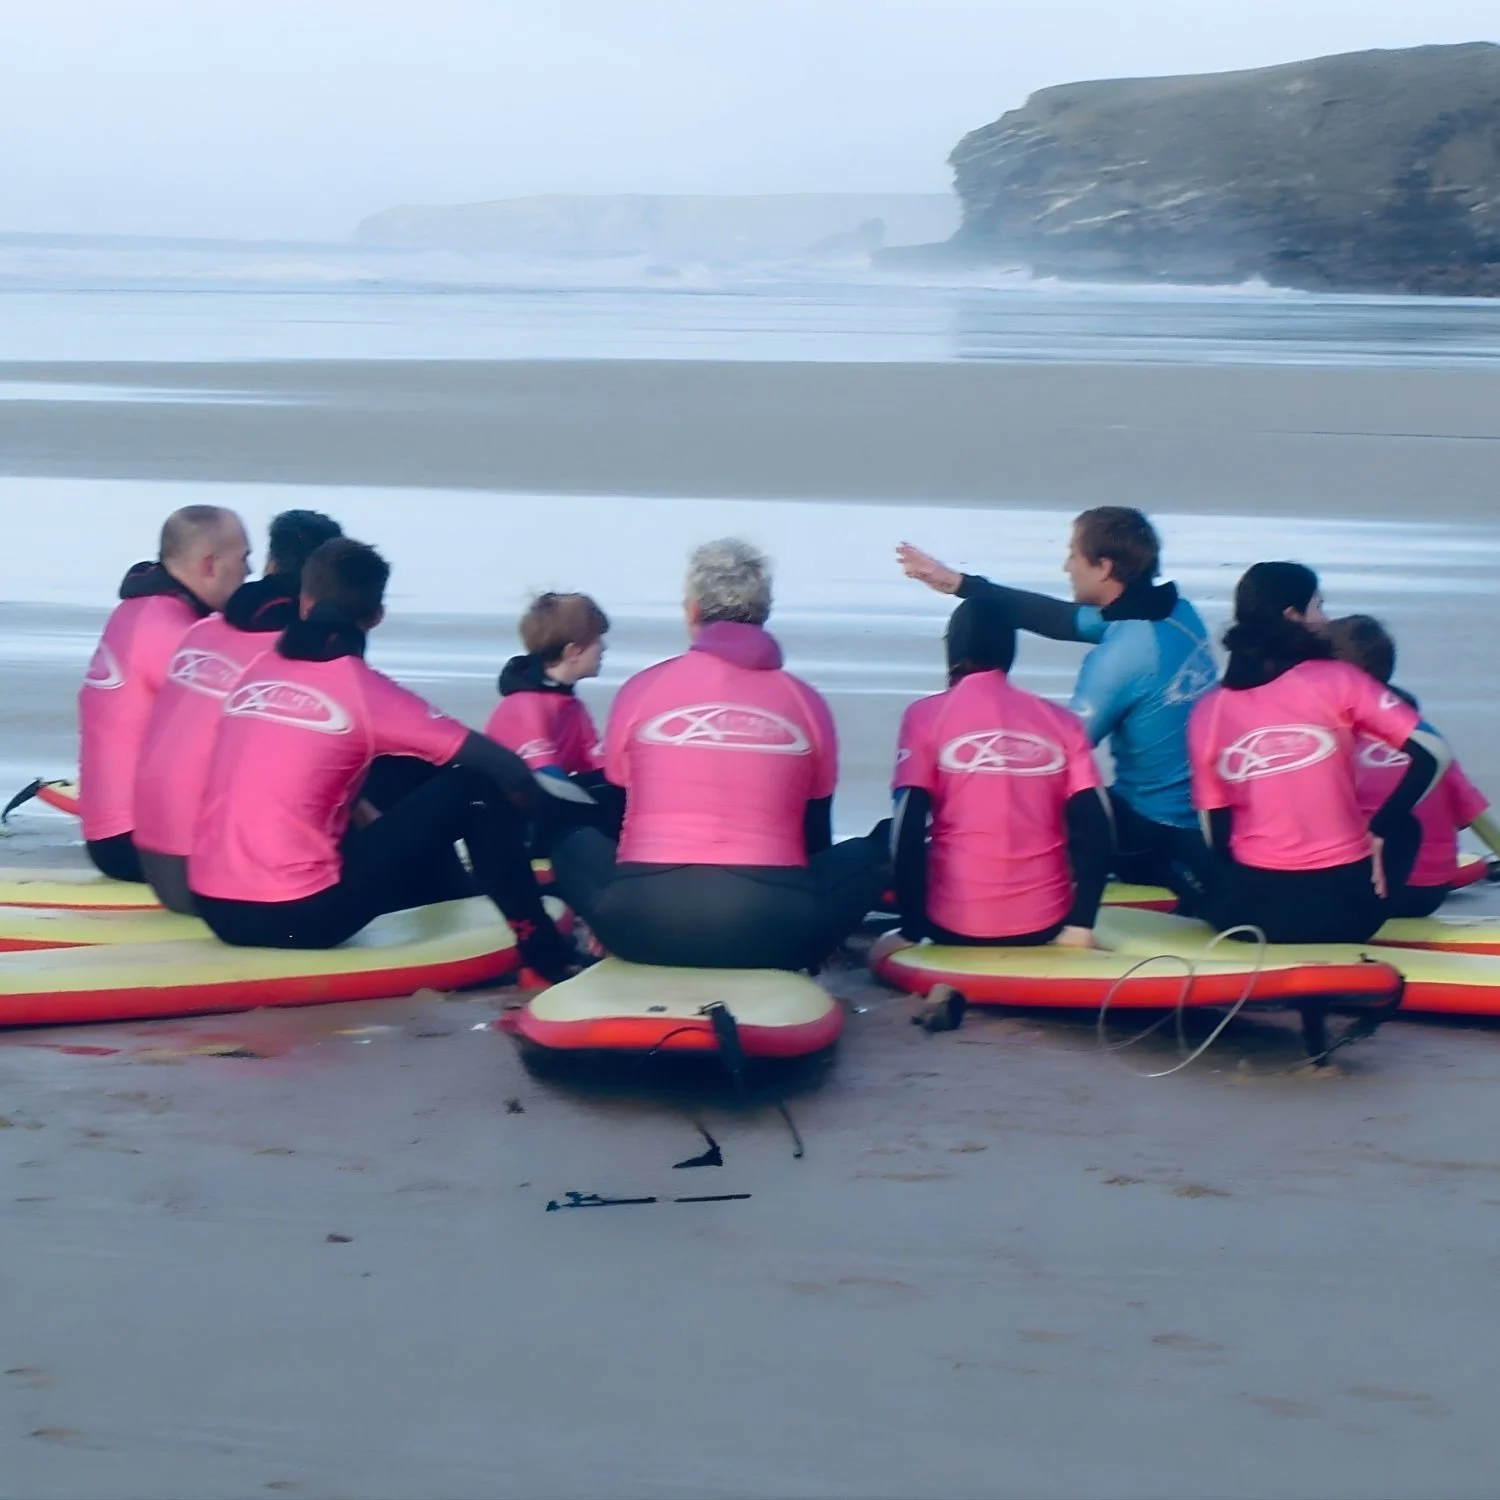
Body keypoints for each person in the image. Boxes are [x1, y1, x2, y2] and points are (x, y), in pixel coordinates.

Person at [189, 538, 579, 982]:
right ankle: (544, 954)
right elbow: (503, 768)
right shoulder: (362, 690)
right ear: (376, 616)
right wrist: (550, 823)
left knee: (393, 768)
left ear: (304, 604)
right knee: (476, 791)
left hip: (211, 904)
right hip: (297, 917)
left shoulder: (256, 670)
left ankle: (449, 895)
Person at [549, 538, 889, 971]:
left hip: (639, 925)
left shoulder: (641, 690)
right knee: (876, 851)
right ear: (765, 614)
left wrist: (609, 910)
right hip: (773, 931)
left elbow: (618, 806)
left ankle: (605, 930)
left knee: (569, 836)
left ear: (692, 611)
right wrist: (815, 925)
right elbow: (815, 834)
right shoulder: (806, 702)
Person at [897, 508, 1216, 907]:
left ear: (1103, 567)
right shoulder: (1176, 613)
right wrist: (958, 584)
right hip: (1201, 815)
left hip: (1151, 832)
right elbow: (1060, 618)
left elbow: (1058, 757)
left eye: (1073, 554)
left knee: (1014, 792)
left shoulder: (1122, 655)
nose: (1067, 566)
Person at [1189, 563, 1450, 944]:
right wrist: (1380, 829)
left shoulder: (1208, 711)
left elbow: (1215, 833)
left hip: (1255, 920)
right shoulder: (1338, 680)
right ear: (1292, 617)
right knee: (1405, 827)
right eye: (1317, 607)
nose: (1325, 620)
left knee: (1203, 862)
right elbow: (1433, 753)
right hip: (1346, 915)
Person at [876, 596, 1111, 963]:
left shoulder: (924, 716)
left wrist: (910, 928)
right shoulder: (1060, 722)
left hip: (950, 926)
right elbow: (1098, 826)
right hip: (1045, 925)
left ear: (951, 649)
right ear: (1009, 651)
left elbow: (907, 827)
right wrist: (1080, 925)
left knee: (882, 839)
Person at [134, 510, 345, 913]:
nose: (248, 569)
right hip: (219, 885)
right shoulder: (303, 652)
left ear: (269, 566)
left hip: (156, 864)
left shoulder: (202, 630)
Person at [79, 505, 250, 883]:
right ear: (209, 565)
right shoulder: (176, 634)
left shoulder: (134, 612)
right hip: (142, 845)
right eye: (243, 559)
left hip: (111, 835)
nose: (249, 572)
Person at [1326, 614, 1499, 919]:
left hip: (1366, 892)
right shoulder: (1425, 738)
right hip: (1430, 892)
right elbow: (1478, 818)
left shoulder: (1325, 738)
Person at [485, 591, 623, 842]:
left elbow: (601, 766)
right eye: (597, 639)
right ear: (573, 651)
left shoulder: (570, 704)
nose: (604, 647)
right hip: (511, 821)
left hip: (544, 810)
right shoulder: (525, 705)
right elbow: (547, 780)